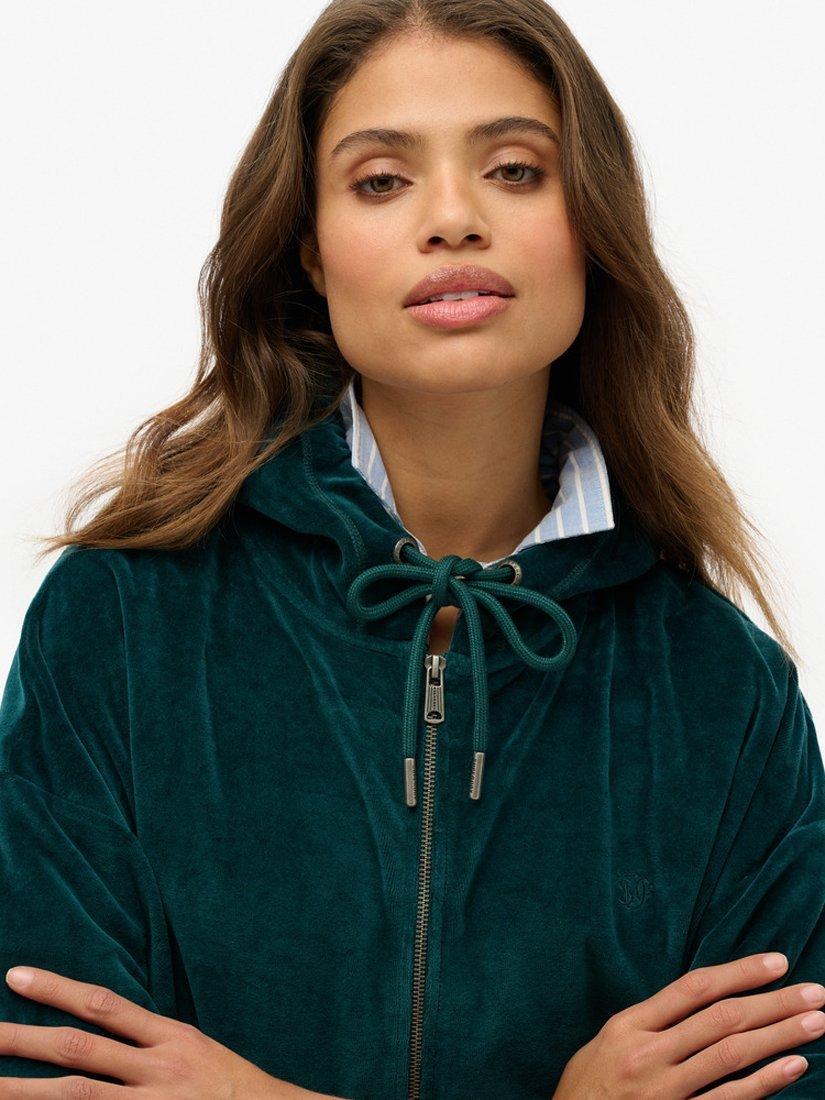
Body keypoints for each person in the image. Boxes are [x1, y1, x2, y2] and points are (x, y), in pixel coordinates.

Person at [1, 1, 823, 1097]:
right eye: (381, 180)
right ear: (308, 245)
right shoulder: (116, 622)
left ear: (594, 221)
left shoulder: (726, 694)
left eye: (516, 170)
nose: (452, 219)